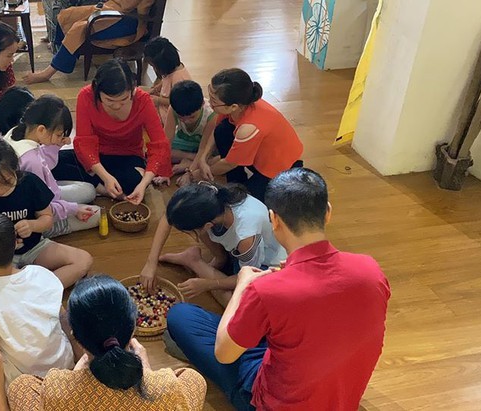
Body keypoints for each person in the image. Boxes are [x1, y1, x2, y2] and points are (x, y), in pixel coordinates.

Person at [165, 168, 391, 411]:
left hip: (274, 403)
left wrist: (242, 284)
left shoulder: (266, 289)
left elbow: (224, 353)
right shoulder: (371, 270)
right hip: (341, 398)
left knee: (181, 316)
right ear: (327, 212)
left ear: (274, 219)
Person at [6, 275, 207, 410]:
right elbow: (193, 382)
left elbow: (20, 388)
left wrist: (75, 375)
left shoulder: (56, 390)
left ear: (75, 335)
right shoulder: (167, 389)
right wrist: (146, 370)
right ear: (132, 330)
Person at [0, 213, 74, 411]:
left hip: (25, 382)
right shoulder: (42, 274)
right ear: (16, 245)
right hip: (64, 366)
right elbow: (63, 319)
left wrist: (2, 408)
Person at [0, 139, 92, 288]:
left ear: (15, 169)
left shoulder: (29, 182)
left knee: (83, 260)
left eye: (7, 181)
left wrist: (32, 225)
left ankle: (31, 292)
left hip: (34, 247)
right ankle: (31, 291)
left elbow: (47, 218)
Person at [139, 182, 285, 307]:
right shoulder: (207, 195)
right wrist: (150, 263)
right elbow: (169, 216)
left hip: (265, 262)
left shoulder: (245, 236)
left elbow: (248, 277)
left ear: (208, 225)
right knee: (194, 223)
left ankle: (194, 261)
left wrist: (208, 284)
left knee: (237, 306)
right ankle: (219, 259)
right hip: (236, 249)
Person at [52, 59, 172, 205]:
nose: (116, 106)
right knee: (50, 161)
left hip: (128, 155)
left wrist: (143, 184)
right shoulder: (86, 96)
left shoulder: (143, 100)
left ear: (132, 89)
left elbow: (159, 145)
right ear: (97, 90)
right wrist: (106, 177)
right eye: (109, 100)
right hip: (95, 155)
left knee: (134, 182)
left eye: (123, 100)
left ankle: (96, 185)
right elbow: (84, 143)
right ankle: (103, 188)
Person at [184, 68, 304, 201]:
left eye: (213, 100)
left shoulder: (248, 128)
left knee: (244, 203)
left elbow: (230, 163)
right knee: (222, 130)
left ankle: (242, 185)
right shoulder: (242, 100)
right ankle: (236, 180)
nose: (209, 103)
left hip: (281, 167)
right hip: (260, 153)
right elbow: (216, 129)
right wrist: (203, 157)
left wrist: (202, 173)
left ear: (233, 106)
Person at [5, 95, 100, 238]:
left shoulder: (15, 133)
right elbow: (44, 205)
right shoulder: (31, 161)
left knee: (89, 190)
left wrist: (57, 143)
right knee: (97, 214)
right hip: (39, 217)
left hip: (46, 196)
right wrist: (74, 209)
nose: (60, 138)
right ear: (42, 130)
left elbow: (45, 163)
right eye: (58, 134)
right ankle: (53, 230)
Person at [24, 0, 155, 84]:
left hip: (127, 19)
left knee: (79, 29)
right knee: (66, 14)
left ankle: (48, 73)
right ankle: (62, 53)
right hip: (111, 7)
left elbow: (131, 6)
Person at [165, 80, 216, 175]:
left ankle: (190, 162)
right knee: (158, 151)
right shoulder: (173, 108)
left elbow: (203, 148)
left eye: (192, 117)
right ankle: (191, 158)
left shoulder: (210, 114)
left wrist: (190, 173)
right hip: (185, 143)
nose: (186, 121)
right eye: (181, 117)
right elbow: (166, 142)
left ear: (202, 104)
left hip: (203, 144)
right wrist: (165, 172)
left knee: (214, 157)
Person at [143, 36, 192, 122]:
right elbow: (166, 80)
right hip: (163, 101)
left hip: (167, 115)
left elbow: (179, 103)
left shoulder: (179, 78)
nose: (154, 69)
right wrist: (158, 87)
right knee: (140, 90)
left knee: (141, 108)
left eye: (154, 66)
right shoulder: (172, 69)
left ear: (163, 65)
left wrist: (158, 100)